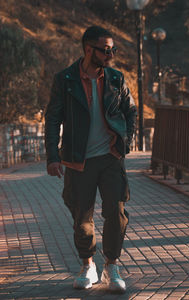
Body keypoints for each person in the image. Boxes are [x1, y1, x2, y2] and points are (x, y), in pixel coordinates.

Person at [45, 25, 137, 293]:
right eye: (106, 50)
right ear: (89, 49)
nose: (111, 55)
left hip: (110, 158)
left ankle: (111, 266)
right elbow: (53, 118)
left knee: (116, 214)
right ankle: (88, 265)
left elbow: (130, 111)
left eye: (113, 50)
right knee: (81, 218)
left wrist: (124, 142)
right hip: (77, 160)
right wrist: (53, 156)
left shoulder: (116, 79)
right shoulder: (65, 79)